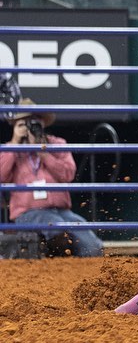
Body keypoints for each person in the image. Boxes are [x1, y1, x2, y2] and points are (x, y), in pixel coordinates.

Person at [0, 99, 103, 257]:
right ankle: (60, 273)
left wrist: (43, 152)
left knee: (93, 246)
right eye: (24, 123)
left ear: (42, 123)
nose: (31, 126)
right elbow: (1, 175)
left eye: (35, 121)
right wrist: (15, 142)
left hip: (62, 211)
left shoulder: (57, 144)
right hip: (28, 212)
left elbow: (68, 174)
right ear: (16, 127)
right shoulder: (10, 149)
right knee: (58, 232)